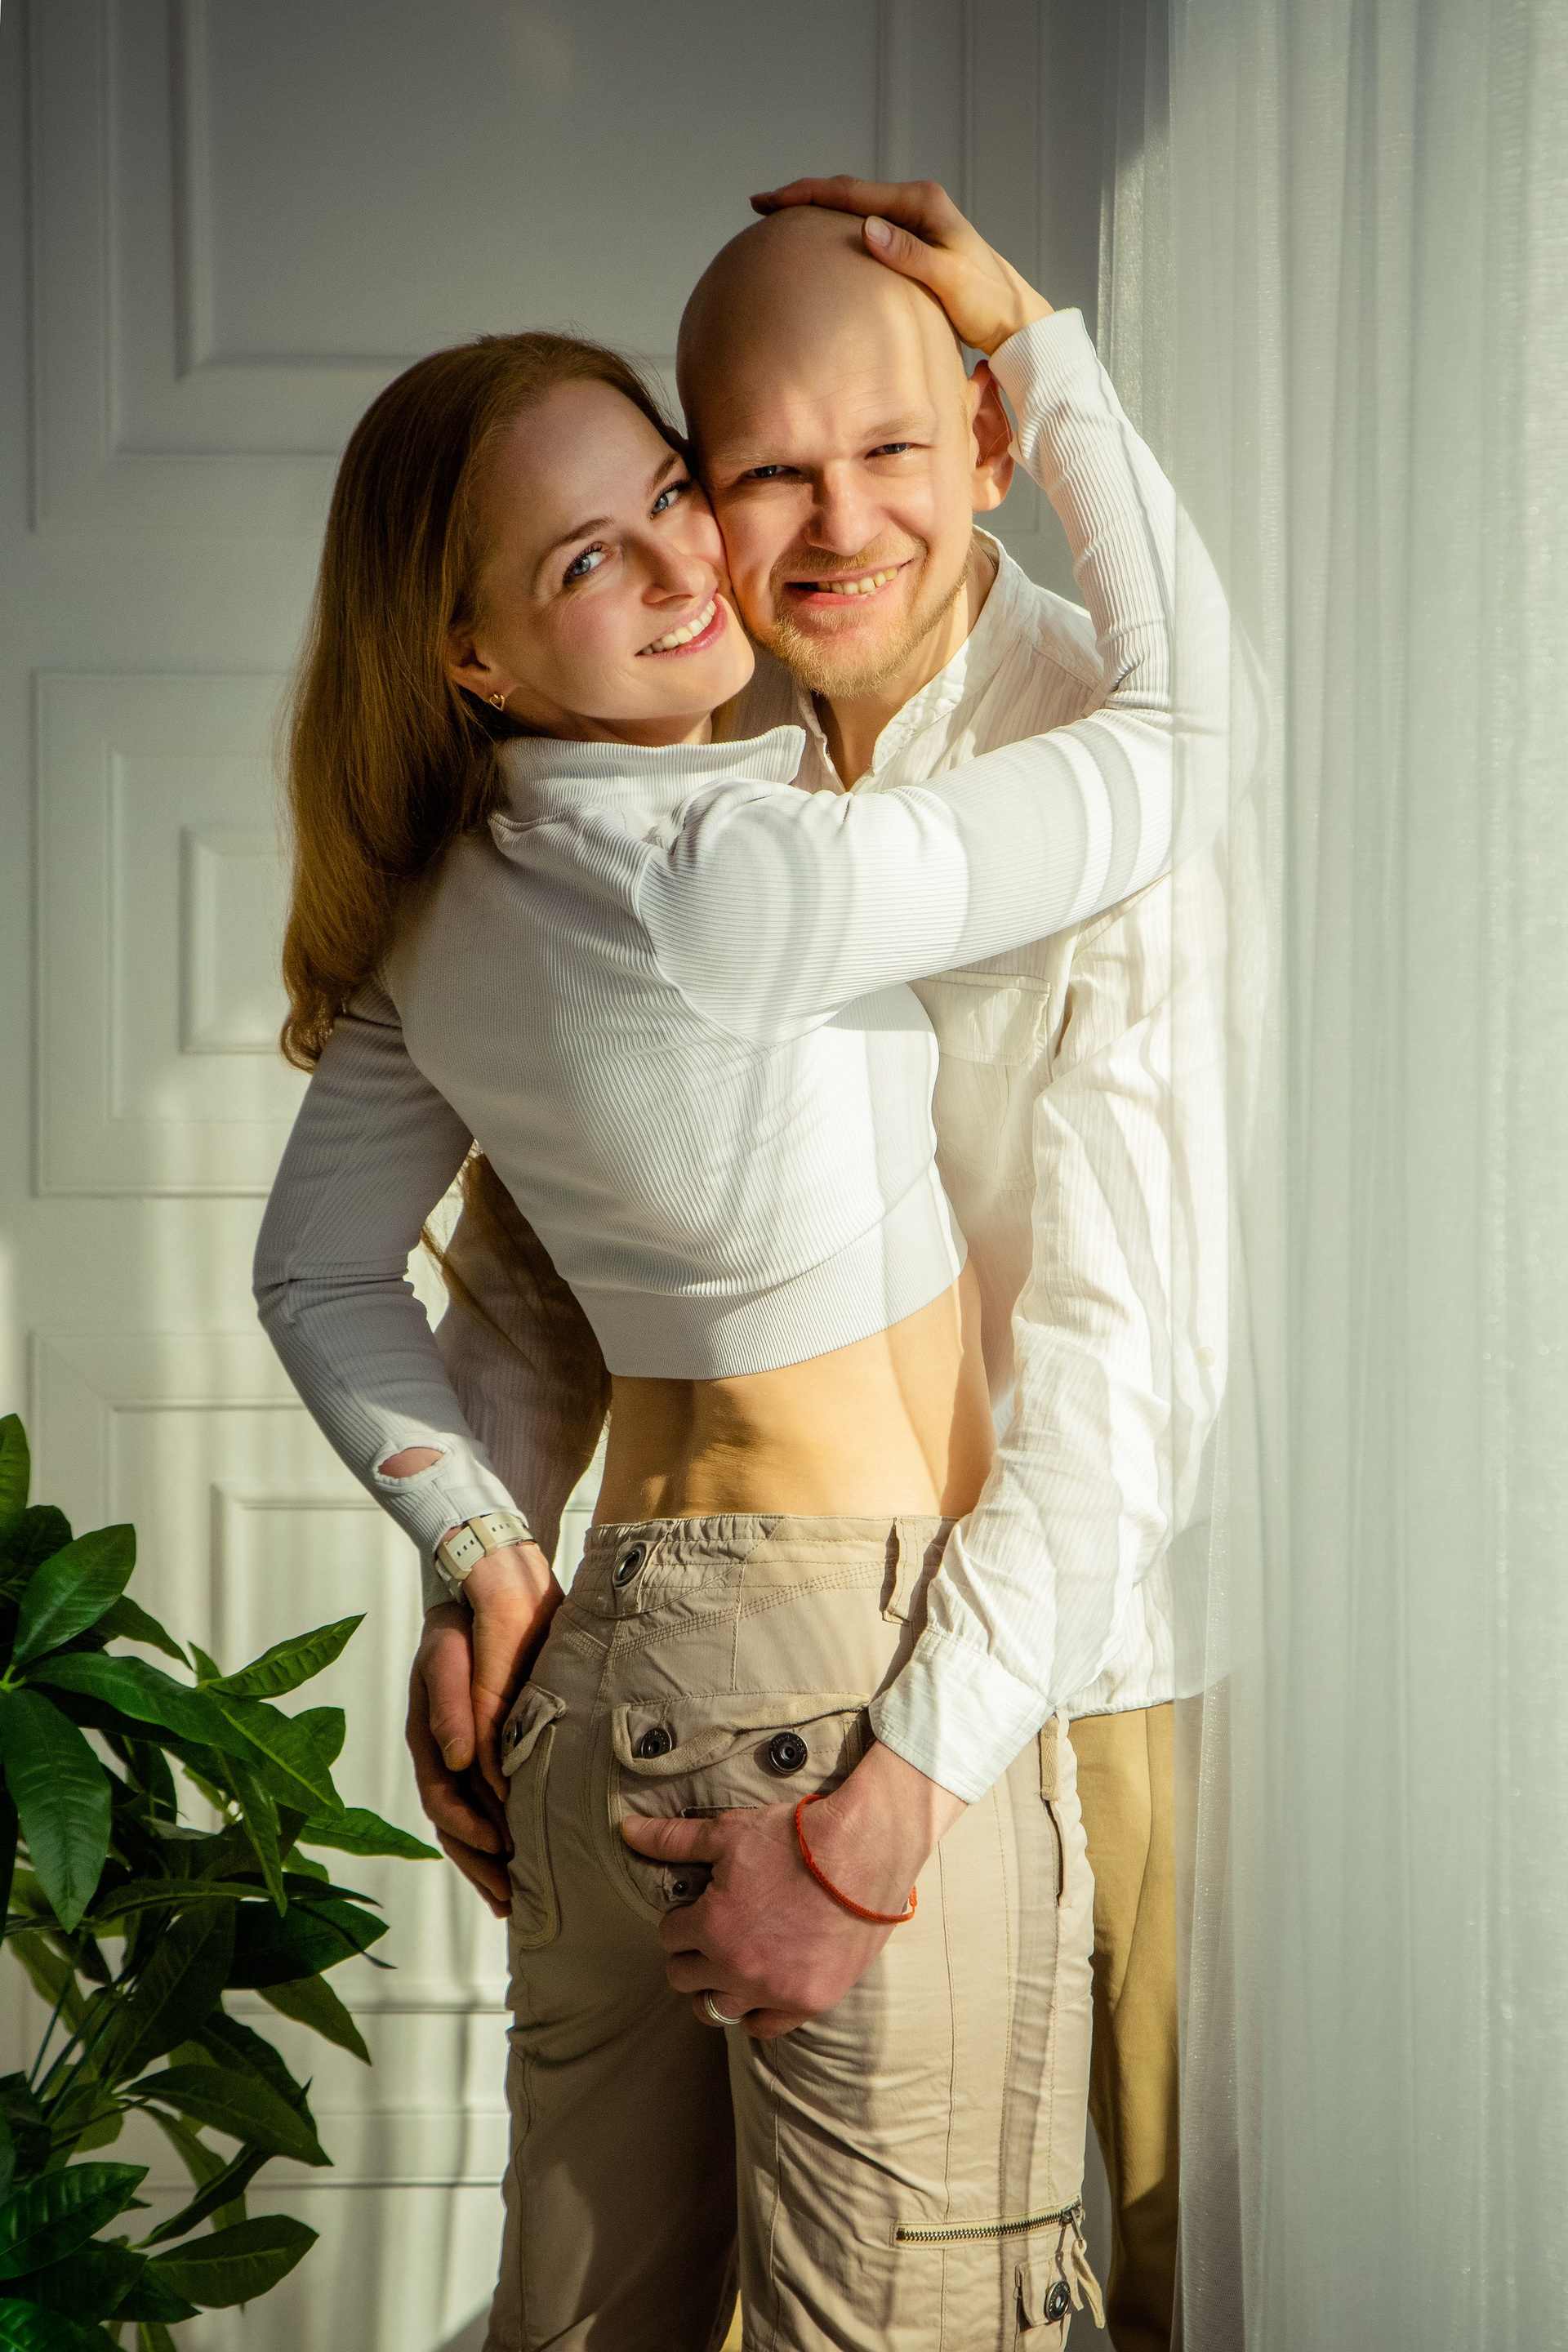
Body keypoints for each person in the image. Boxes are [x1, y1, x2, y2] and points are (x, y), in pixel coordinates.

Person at [256, 198, 1232, 2350]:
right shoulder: (730, 816)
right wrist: (477, 1564)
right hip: (829, 1657)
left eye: (883, 450)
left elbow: (1124, 1363)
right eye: (748, 472)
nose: (770, 539)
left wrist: (497, 1561)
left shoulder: (508, 861)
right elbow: (538, 1273)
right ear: (475, 652)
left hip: (966, 1646)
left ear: (982, 448)